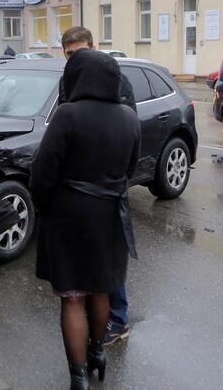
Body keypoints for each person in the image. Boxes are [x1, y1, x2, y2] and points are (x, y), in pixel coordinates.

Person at [31, 48, 141, 390]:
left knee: (73, 297)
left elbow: (42, 172)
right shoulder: (129, 117)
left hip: (69, 216)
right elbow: (130, 170)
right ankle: (98, 354)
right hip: (109, 216)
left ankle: (78, 377)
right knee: (101, 287)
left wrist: (43, 204)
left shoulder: (68, 114)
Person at [61, 26, 136, 347]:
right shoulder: (69, 83)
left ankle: (117, 320)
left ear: (95, 46)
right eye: (68, 55)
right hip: (80, 190)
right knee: (90, 263)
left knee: (108, 262)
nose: (75, 59)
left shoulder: (115, 81)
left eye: (80, 52)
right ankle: (95, 323)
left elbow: (126, 132)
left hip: (106, 187)